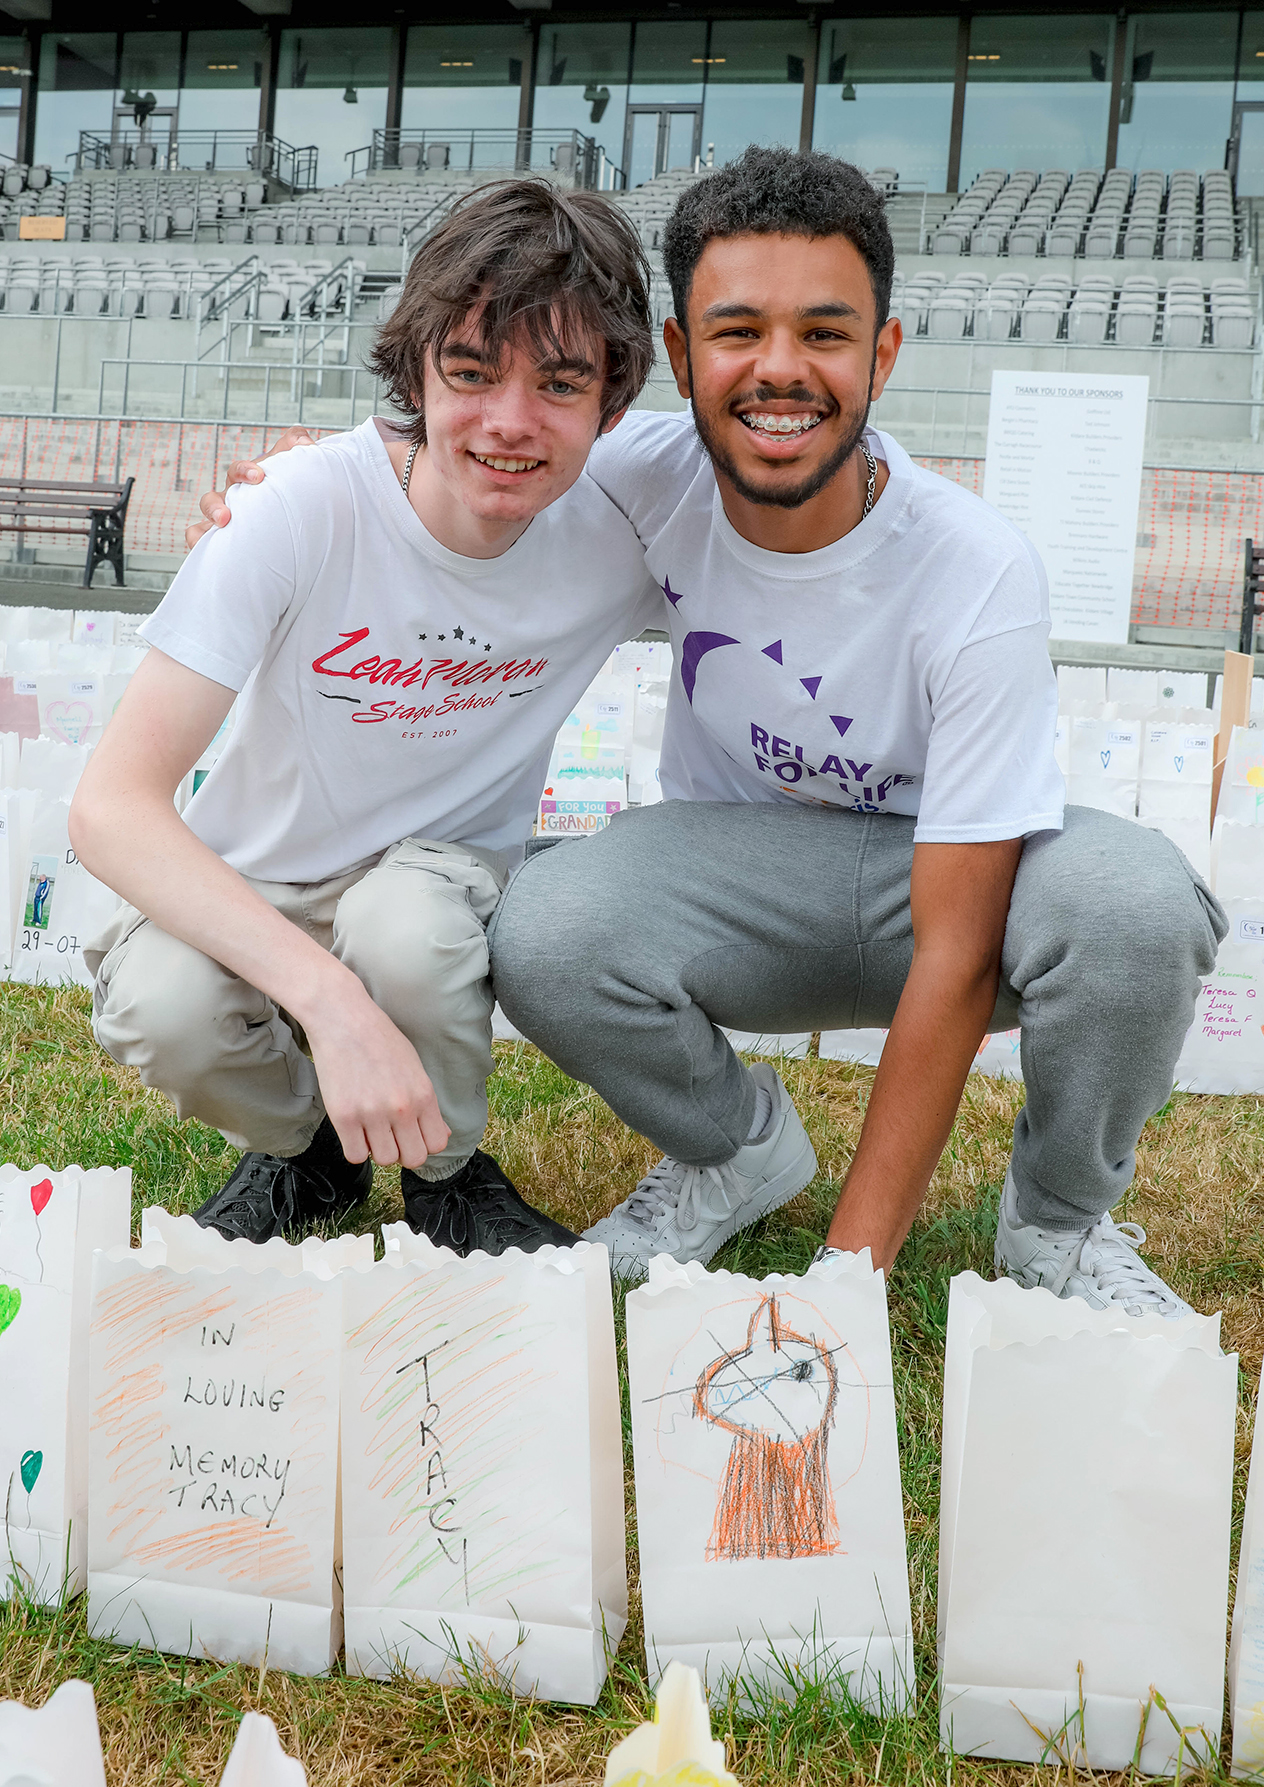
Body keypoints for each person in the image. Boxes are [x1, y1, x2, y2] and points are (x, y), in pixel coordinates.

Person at [195, 149, 1226, 1320]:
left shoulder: (975, 566)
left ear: (882, 354)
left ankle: (1058, 1220)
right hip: (737, 881)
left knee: (1129, 902)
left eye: (825, 333)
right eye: (738, 331)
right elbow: (463, 443)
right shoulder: (636, 474)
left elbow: (954, 953)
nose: (779, 368)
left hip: (939, 890)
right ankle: (735, 1149)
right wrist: (305, 480)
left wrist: (845, 1280)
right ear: (681, 357)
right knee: (543, 924)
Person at [70, 178, 663, 1255]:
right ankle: (313, 1152)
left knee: (405, 928)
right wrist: (332, 1006)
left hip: (437, 878)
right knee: (161, 1006)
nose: (509, 422)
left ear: (611, 403)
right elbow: (110, 808)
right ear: (416, 372)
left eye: (560, 383)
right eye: (471, 372)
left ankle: (446, 1172)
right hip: (263, 875)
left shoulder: (628, 524)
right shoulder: (299, 505)